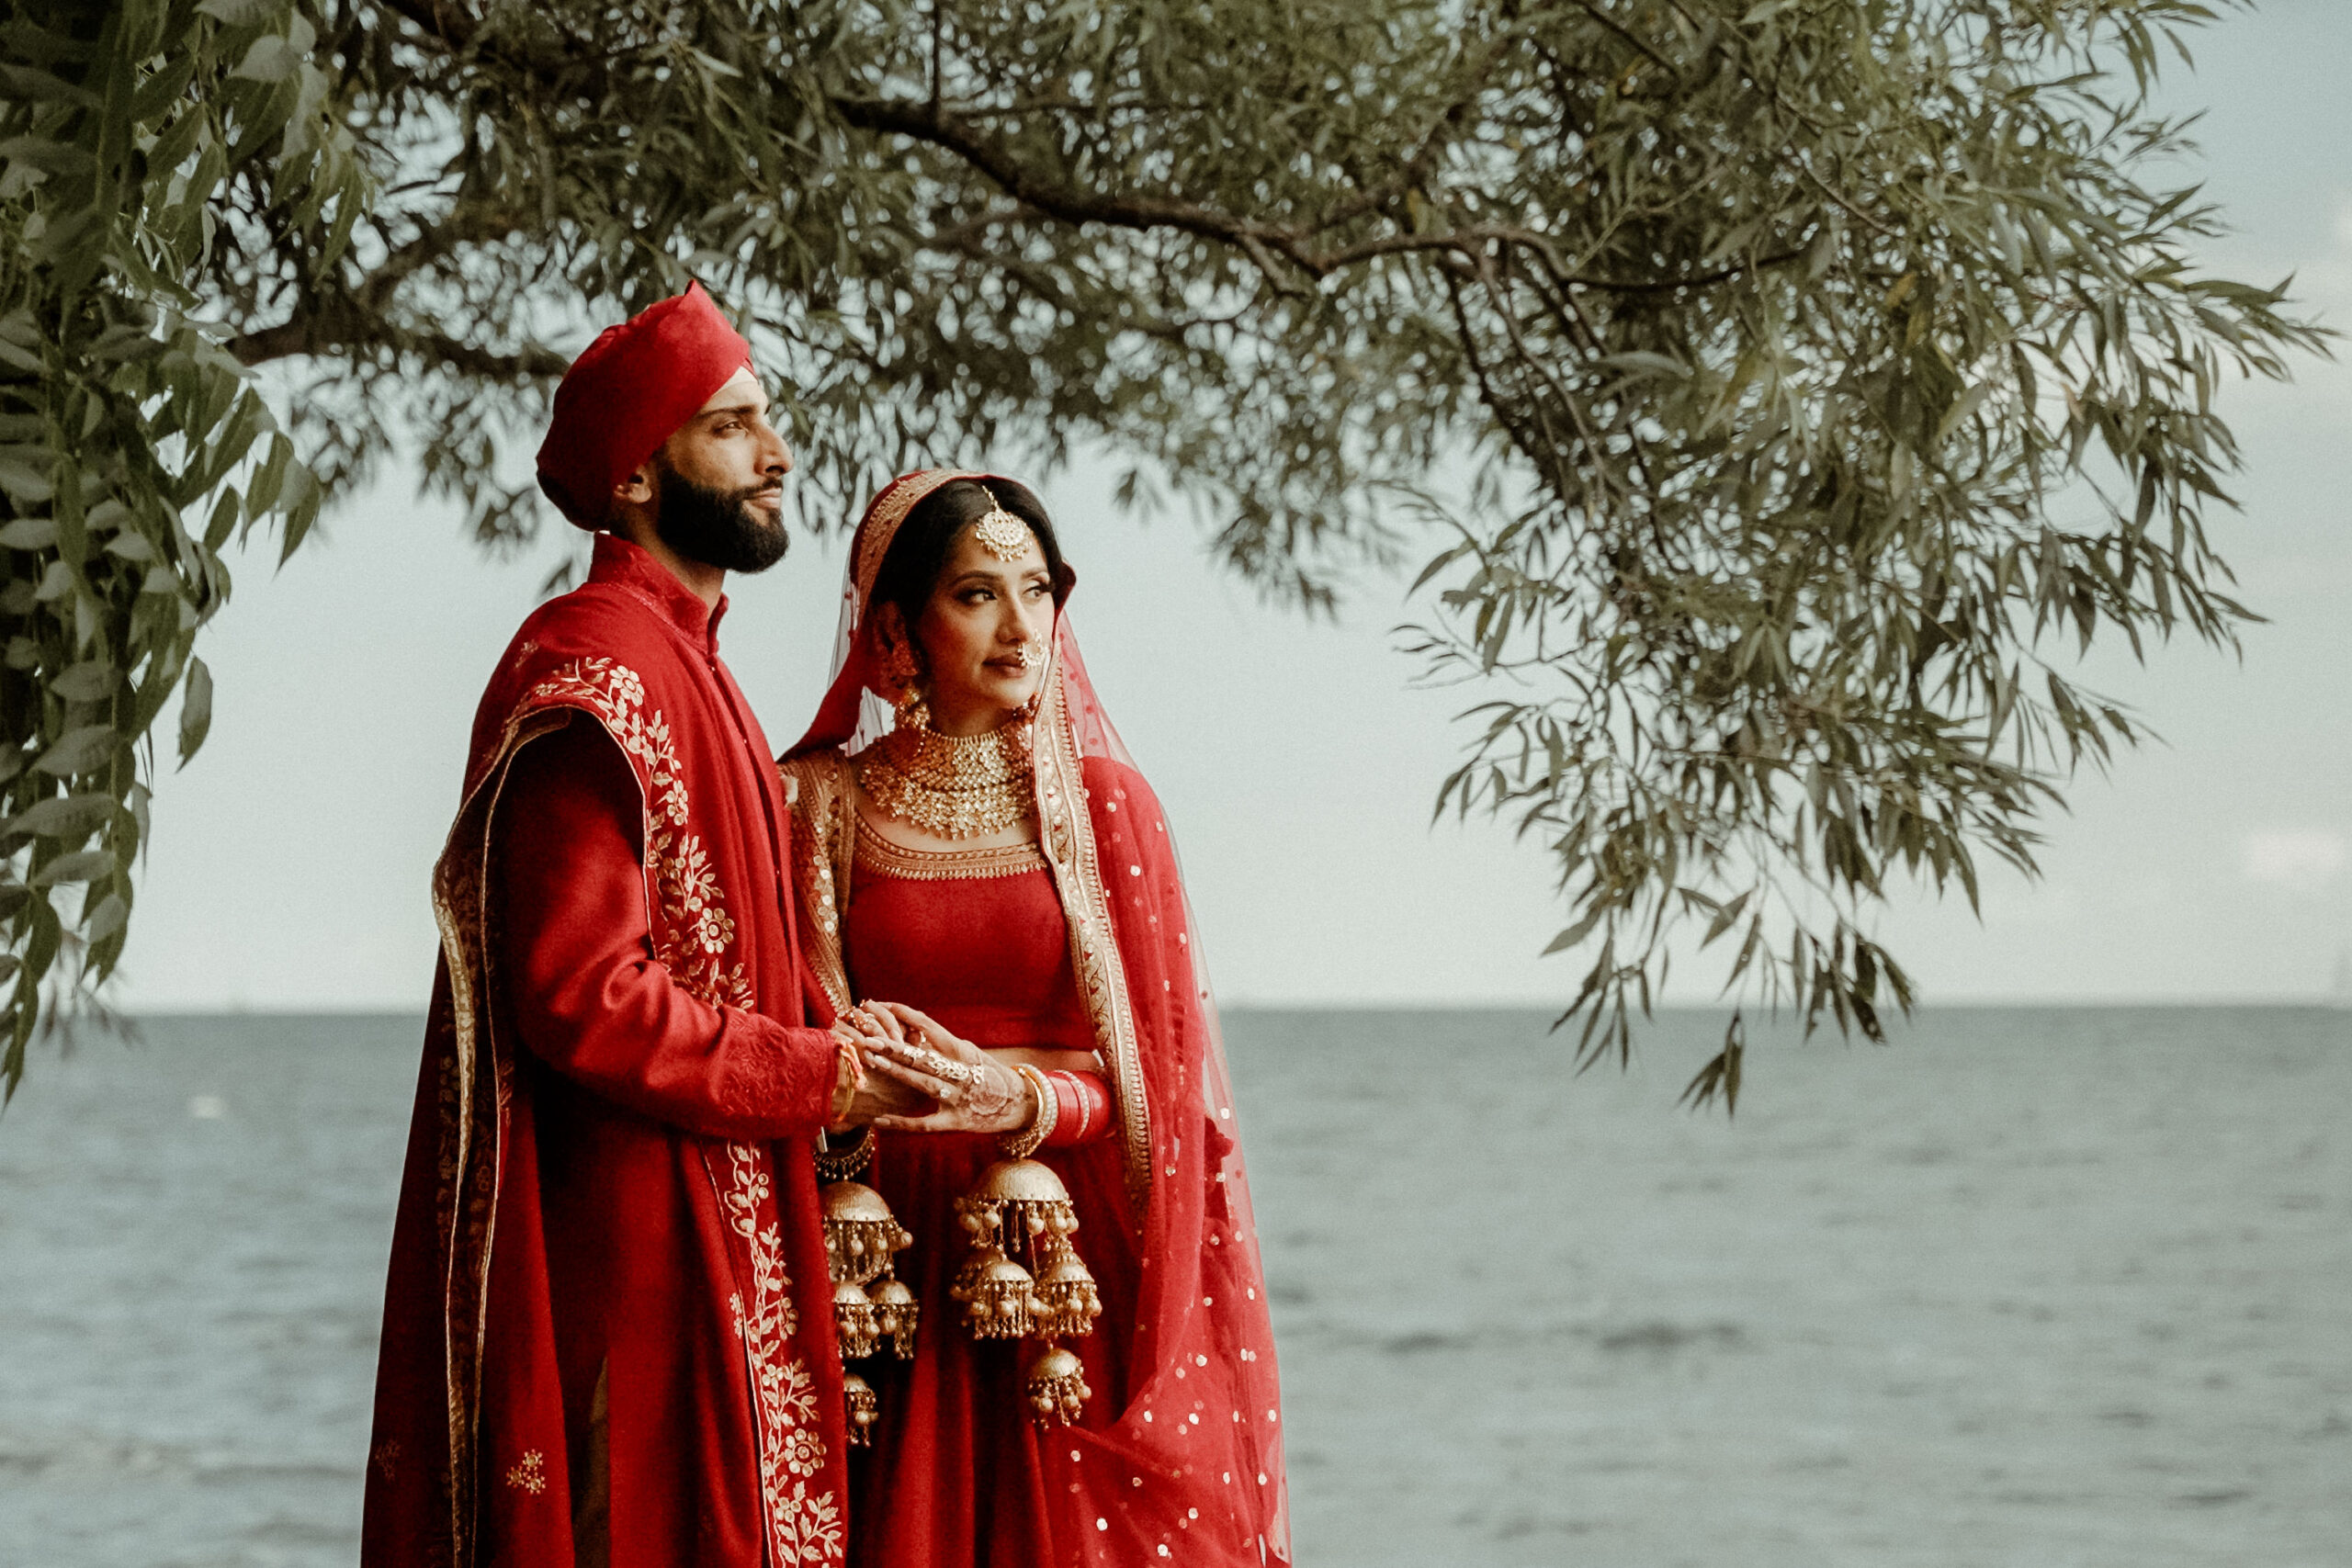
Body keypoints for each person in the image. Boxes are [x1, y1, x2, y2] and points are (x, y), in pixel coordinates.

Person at [362, 283, 903, 1568]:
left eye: (769, 419)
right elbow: (579, 992)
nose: (776, 454)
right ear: (643, 472)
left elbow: (734, 957)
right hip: (638, 1257)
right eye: (733, 426)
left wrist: (868, 1050)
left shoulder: (695, 667)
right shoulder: (593, 669)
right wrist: (818, 1072)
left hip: (723, 1230)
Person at [778, 470, 1291, 1567]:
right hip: (885, 1256)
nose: (1022, 624)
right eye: (975, 594)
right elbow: (784, 1038)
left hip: (1057, 1254)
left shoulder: (1103, 805)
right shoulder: (819, 801)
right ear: (893, 628)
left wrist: (1020, 1098)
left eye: (1037, 589)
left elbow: (1159, 1079)